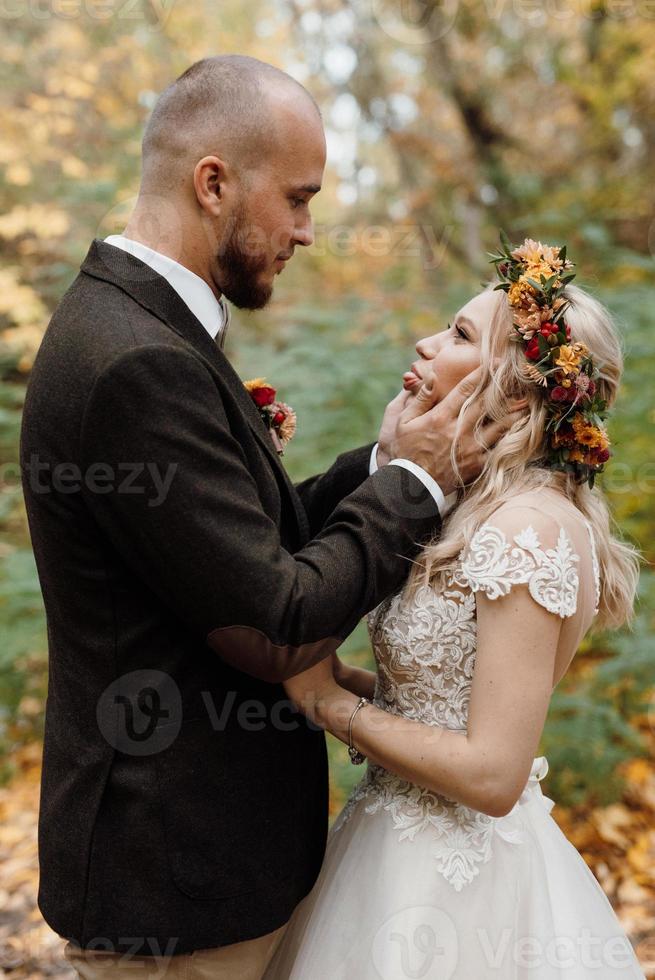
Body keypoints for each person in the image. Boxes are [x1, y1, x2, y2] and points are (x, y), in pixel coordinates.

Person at [19, 56, 517, 979]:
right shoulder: (136, 362)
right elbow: (275, 618)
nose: (307, 230)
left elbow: (250, 540)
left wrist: (379, 460)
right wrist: (416, 483)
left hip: (209, 866)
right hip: (173, 878)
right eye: (296, 198)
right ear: (213, 183)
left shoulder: (144, 329)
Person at [265, 239, 646, 979]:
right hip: (384, 850)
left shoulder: (528, 527)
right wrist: (352, 683)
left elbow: (492, 775)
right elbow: (453, 701)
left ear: (512, 395)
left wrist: (323, 706)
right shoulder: (470, 512)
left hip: (458, 883)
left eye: (461, 336)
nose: (425, 341)